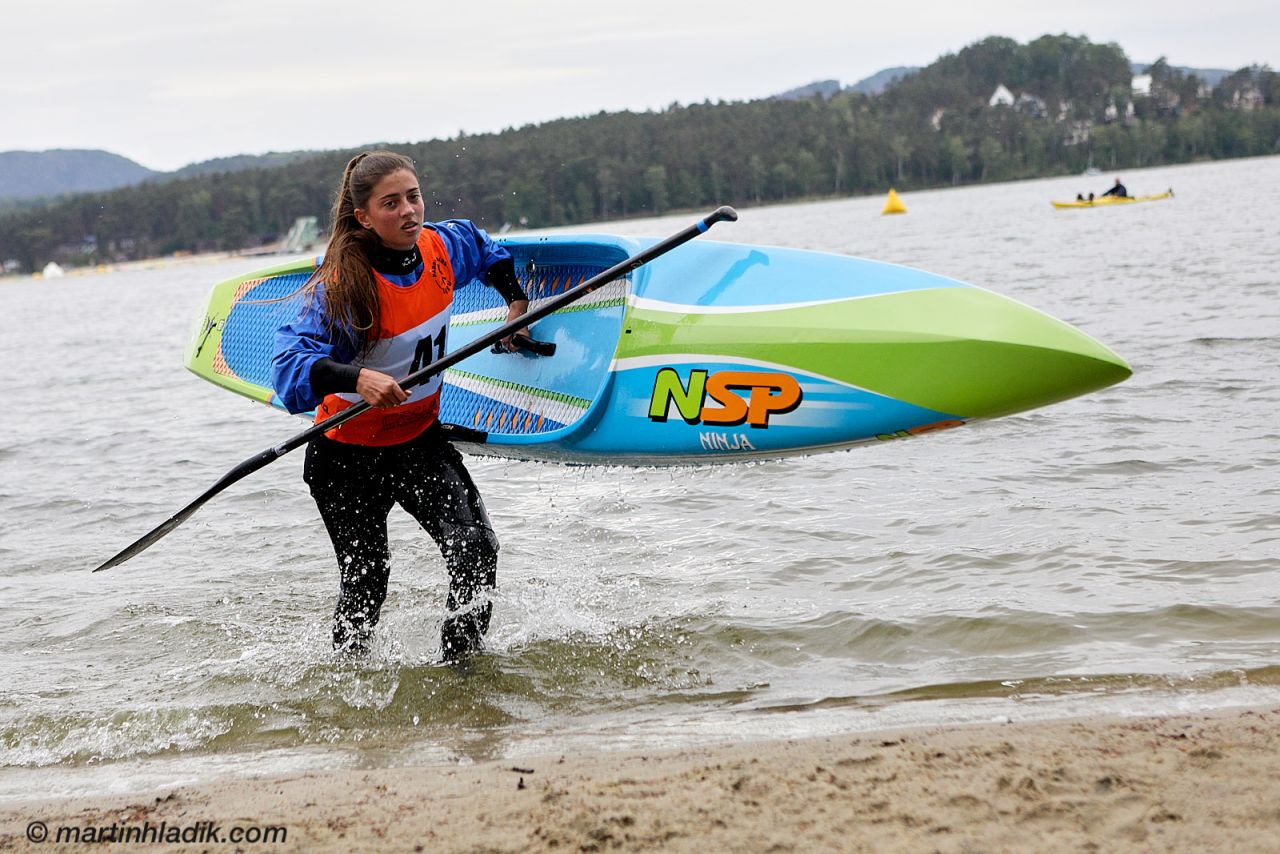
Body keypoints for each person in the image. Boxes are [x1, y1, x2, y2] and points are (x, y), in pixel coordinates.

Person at [271, 150, 531, 661]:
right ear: (363, 217)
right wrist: (357, 378)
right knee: (367, 584)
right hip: (345, 458)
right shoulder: (343, 286)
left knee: (476, 552)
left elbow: (484, 248)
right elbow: (287, 367)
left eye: (414, 197)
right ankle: (348, 684)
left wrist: (515, 303)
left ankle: (462, 675)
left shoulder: (440, 248)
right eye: (391, 203)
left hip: (418, 444)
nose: (409, 211)